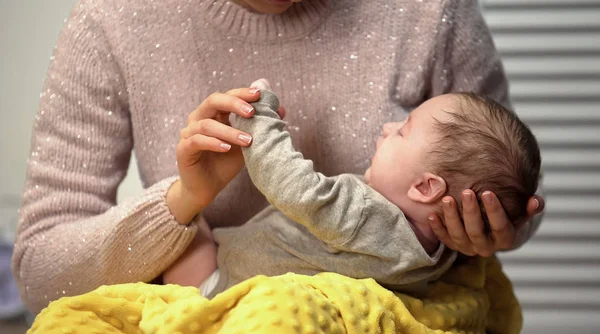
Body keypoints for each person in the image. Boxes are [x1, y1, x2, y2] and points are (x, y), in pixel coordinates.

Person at [12, 0, 545, 313]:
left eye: (402, 130)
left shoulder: (431, 12)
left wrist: (494, 230)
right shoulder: (113, 19)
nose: (389, 129)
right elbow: (39, 275)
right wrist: (182, 201)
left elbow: (504, 179)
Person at [163, 79, 541, 297]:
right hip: (244, 277)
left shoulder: (364, 215)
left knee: (178, 223)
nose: (388, 128)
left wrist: (260, 118)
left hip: (222, 282)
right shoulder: (436, 250)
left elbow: (292, 185)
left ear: (425, 187)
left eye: (404, 129)